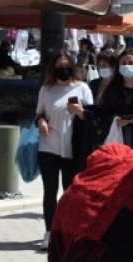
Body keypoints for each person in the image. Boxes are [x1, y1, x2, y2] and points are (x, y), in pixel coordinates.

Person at [35, 50, 93, 250]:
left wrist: (80, 112)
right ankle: (50, 232)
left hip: (73, 147)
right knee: (49, 191)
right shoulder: (47, 89)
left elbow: (93, 117)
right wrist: (41, 122)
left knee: (71, 192)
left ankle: (69, 230)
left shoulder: (82, 88)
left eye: (66, 66)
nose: (63, 70)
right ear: (53, 69)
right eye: (59, 67)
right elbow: (39, 113)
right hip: (49, 146)